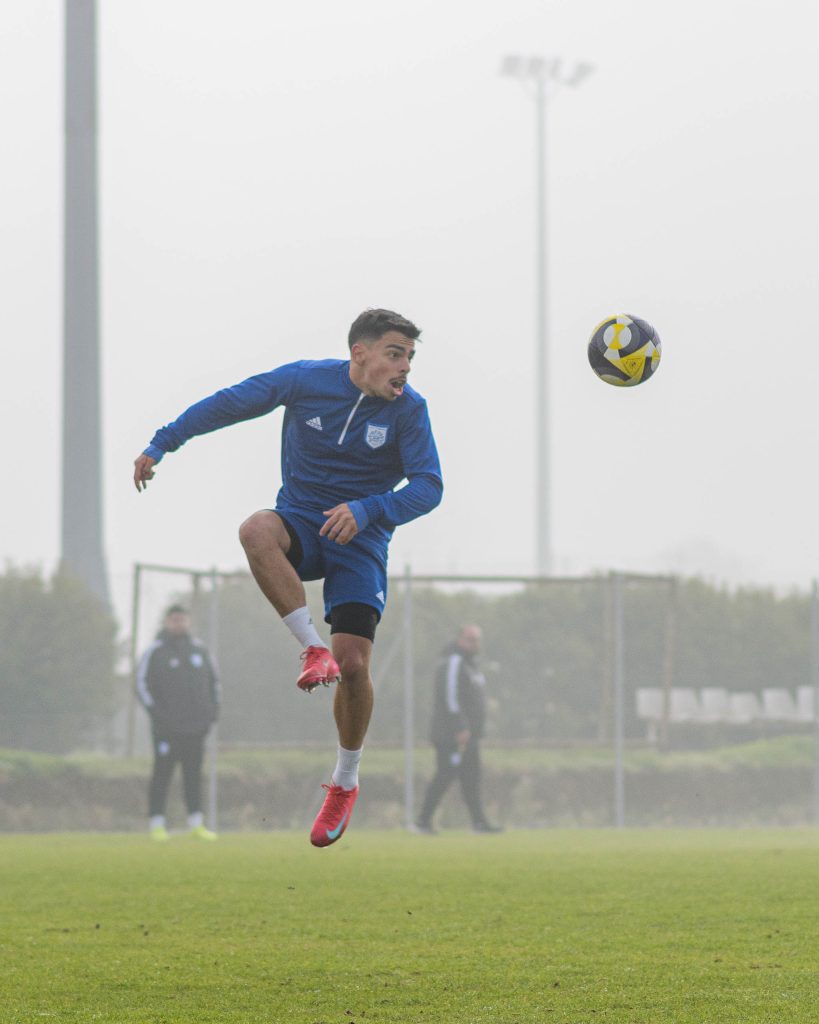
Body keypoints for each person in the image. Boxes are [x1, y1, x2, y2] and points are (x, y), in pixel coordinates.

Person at [133, 308, 443, 847]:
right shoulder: (306, 380)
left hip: (360, 542)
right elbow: (230, 402)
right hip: (301, 523)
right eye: (395, 354)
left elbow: (429, 486)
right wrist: (163, 441)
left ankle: (345, 780)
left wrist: (369, 509)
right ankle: (311, 648)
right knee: (256, 529)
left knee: (354, 665)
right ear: (359, 353)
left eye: (411, 357)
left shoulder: (410, 411)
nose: (405, 368)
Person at [136, 604, 220, 841]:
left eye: (182, 619)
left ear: (188, 621)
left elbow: (214, 684)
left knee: (193, 775)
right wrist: (159, 716)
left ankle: (196, 823)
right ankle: (157, 824)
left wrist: (211, 714)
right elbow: (141, 685)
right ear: (167, 622)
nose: (178, 623)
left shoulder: (200, 650)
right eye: (174, 620)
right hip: (166, 729)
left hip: (196, 728)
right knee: (162, 774)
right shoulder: (155, 651)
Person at [415, 624, 501, 834]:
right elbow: (450, 697)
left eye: (477, 639)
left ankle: (479, 823)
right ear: (460, 639)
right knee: (446, 773)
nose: (475, 644)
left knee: (471, 777)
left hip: (470, 735)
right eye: (470, 639)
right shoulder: (454, 662)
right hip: (451, 734)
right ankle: (422, 822)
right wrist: (460, 727)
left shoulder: (472, 666)